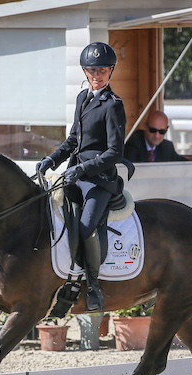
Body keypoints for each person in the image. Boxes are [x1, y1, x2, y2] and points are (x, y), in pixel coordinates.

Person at [36, 42, 127, 312]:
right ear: (85, 71)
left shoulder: (113, 105)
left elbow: (115, 152)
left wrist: (83, 169)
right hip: (75, 174)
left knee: (87, 227)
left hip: (100, 180)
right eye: (91, 70)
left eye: (101, 70)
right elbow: (74, 139)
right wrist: (52, 159)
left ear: (110, 71)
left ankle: (94, 285)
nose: (96, 75)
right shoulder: (82, 98)